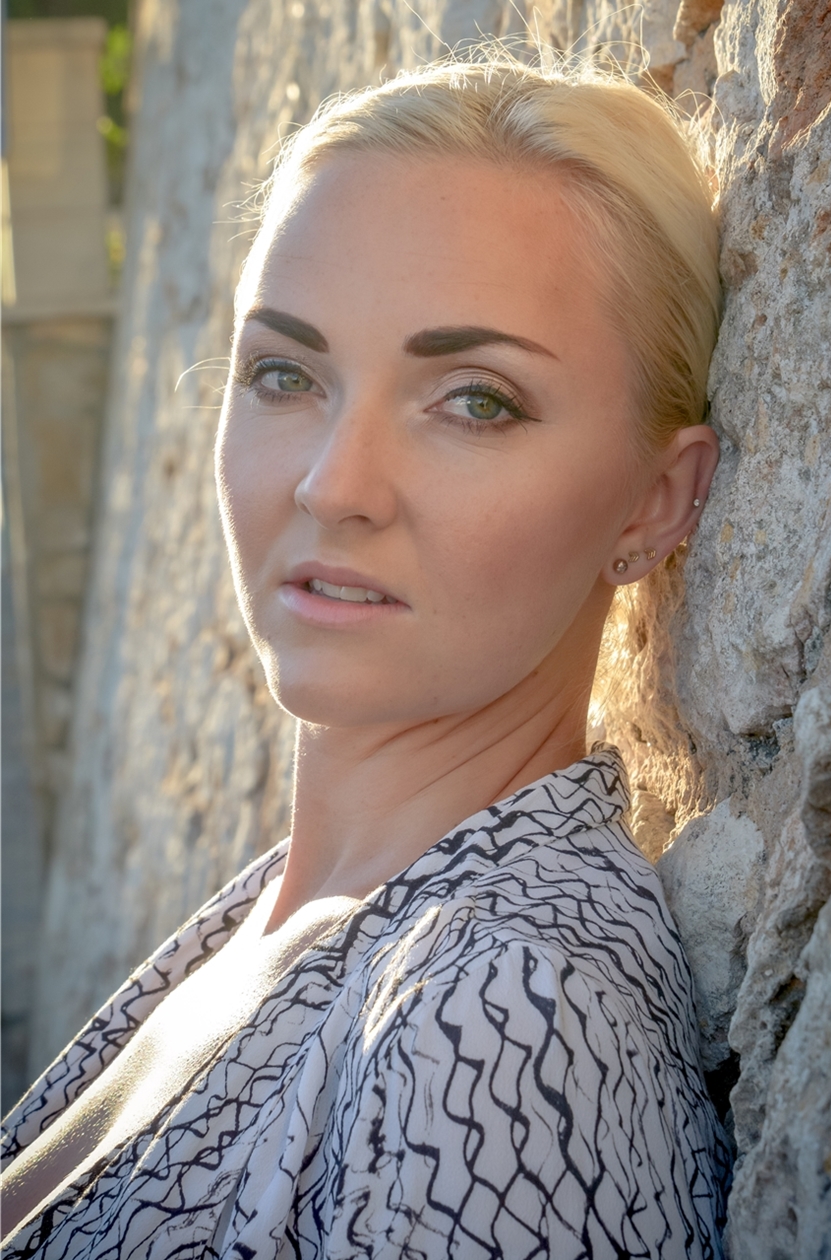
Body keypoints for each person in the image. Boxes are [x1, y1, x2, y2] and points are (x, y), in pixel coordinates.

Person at [1, 52, 730, 1258]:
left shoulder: (508, 1011)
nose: (333, 483)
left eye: (476, 400)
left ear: (657, 502)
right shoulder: (277, 915)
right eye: (284, 374)